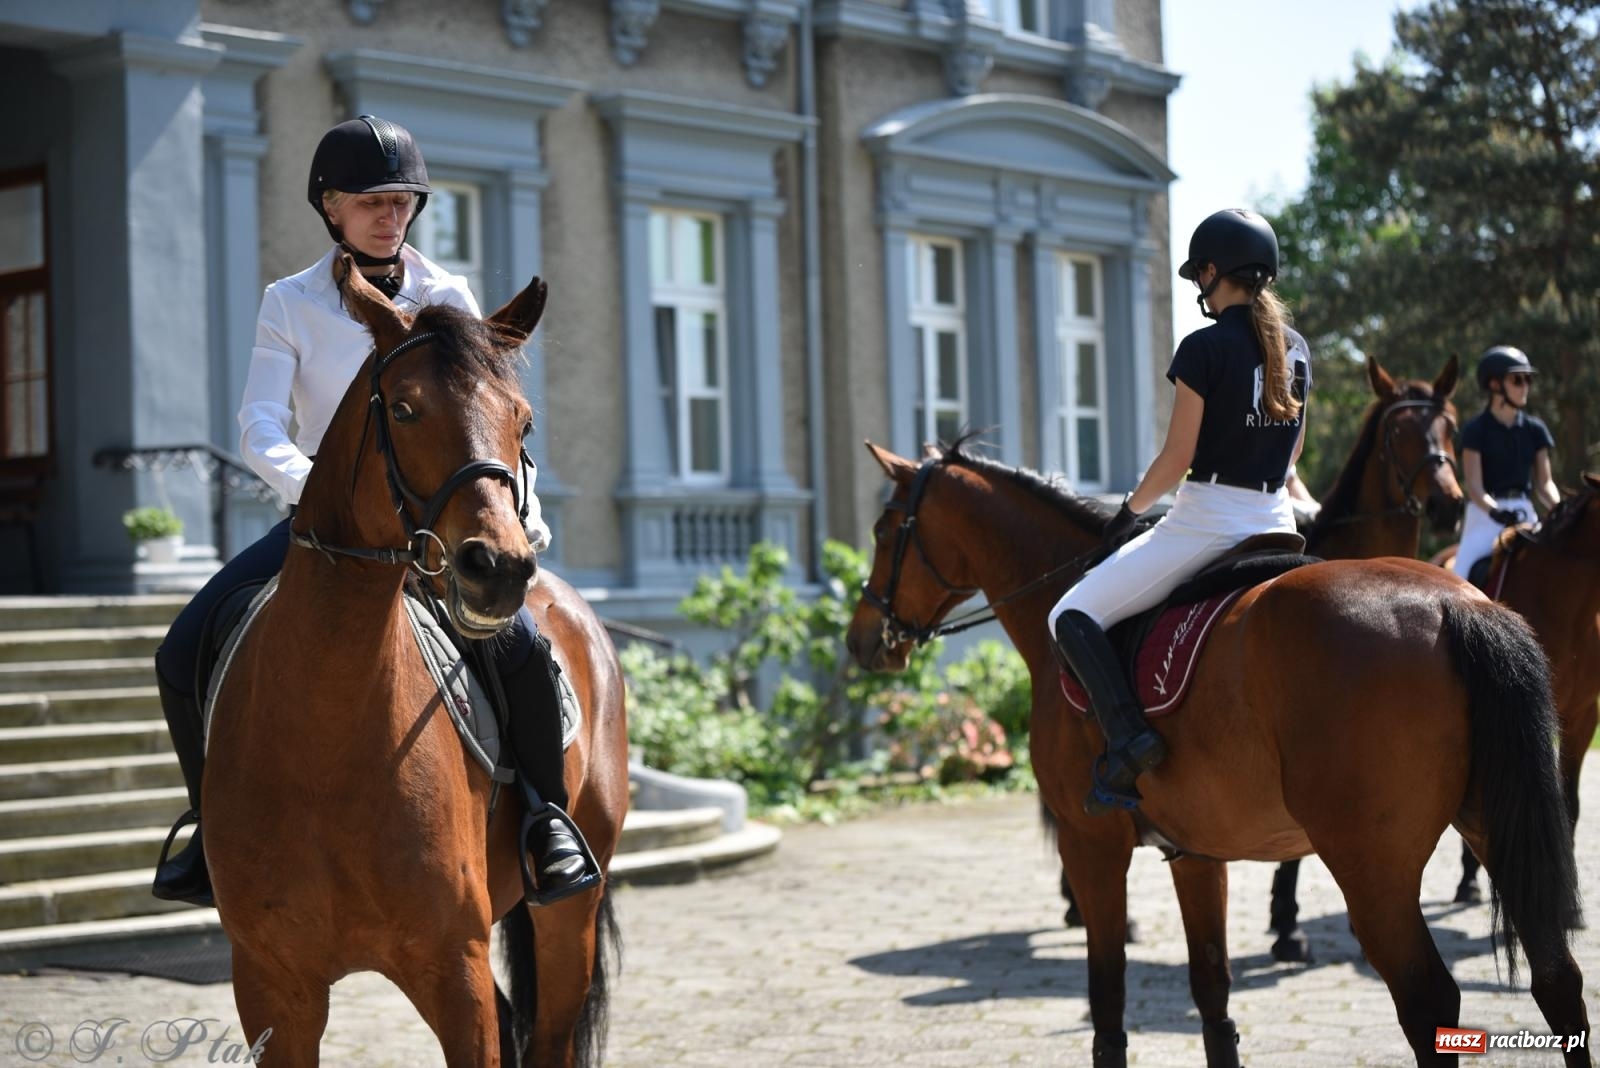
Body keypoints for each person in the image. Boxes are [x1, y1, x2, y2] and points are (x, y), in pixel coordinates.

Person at [152, 115, 598, 908]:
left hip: (435, 529)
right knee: (182, 648)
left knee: (524, 647)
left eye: (402, 201)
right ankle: (208, 831)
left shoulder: (447, 296)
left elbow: (491, 423)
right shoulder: (288, 303)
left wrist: (513, 510)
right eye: (371, 202)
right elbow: (259, 424)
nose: (391, 215)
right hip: (325, 527)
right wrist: (315, 493)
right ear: (330, 206)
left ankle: (544, 818)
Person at [1047, 208, 1310, 814]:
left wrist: (1128, 511)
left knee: (1070, 613)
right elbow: (1293, 449)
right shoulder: (1295, 349)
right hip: (1277, 523)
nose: (1198, 288)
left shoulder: (1203, 346)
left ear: (1215, 271)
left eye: (1200, 276)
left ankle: (1130, 741)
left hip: (1208, 522)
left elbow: (1178, 457)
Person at [1451, 345, 1560, 580]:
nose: (1525, 387)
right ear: (1494, 384)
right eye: (1517, 380)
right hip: (1485, 516)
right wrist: (1496, 511)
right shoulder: (1475, 430)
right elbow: (1475, 487)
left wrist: (1559, 508)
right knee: (1461, 578)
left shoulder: (1535, 429)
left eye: (1528, 380)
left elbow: (1544, 483)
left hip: (1524, 513)